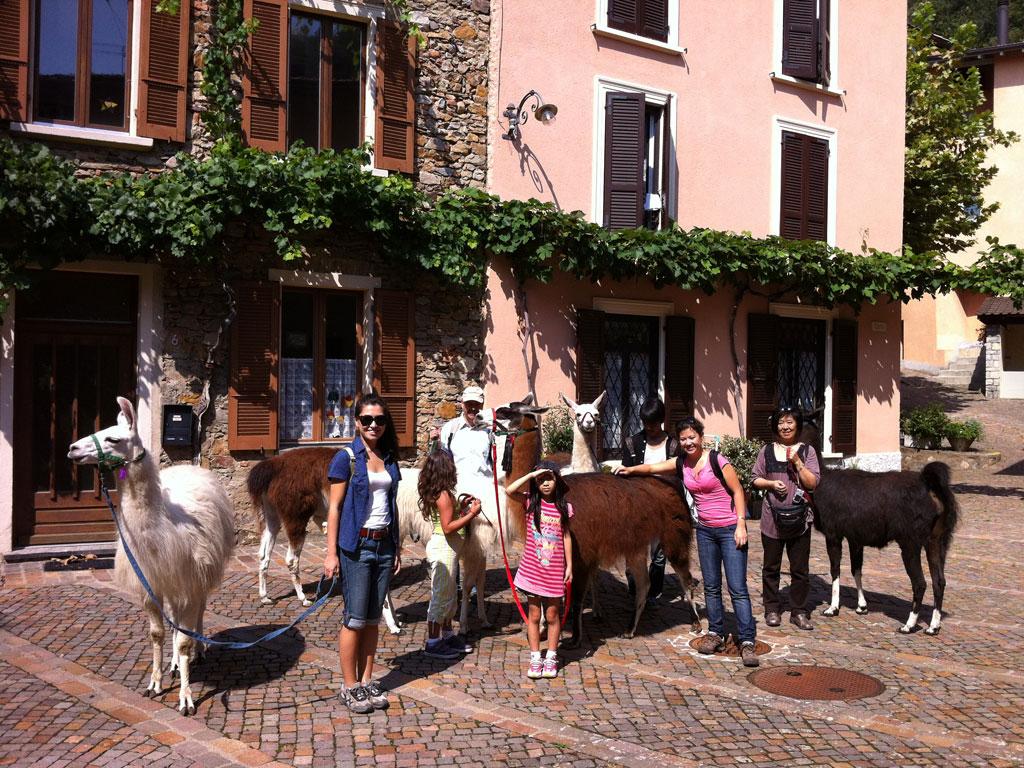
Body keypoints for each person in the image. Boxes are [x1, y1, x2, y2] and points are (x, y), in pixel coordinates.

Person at [615, 416, 759, 667]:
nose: (688, 442)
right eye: (683, 439)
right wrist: (630, 470)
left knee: (737, 587)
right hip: (705, 531)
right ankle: (715, 633)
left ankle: (747, 640)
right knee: (711, 586)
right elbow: (652, 468)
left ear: (701, 437)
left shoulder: (717, 460)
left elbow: (738, 491)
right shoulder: (681, 463)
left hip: (729, 529)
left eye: (692, 437)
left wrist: (740, 524)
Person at [324, 393, 402, 713]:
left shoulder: (389, 456)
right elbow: (334, 508)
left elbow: (392, 505)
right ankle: (349, 685)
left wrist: (396, 547)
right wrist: (331, 554)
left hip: (384, 545)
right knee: (354, 619)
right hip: (356, 547)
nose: (373, 425)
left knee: (372, 619)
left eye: (379, 420)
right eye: (367, 419)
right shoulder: (346, 458)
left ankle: (367, 679)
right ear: (356, 422)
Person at [751, 407, 820, 631]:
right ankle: (772, 609)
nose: (785, 427)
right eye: (781, 422)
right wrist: (770, 484)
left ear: (797, 425)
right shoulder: (767, 451)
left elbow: (812, 483)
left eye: (789, 422)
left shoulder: (808, 451)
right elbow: (754, 479)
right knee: (771, 567)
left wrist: (798, 462)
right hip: (772, 519)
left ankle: (799, 611)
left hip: (800, 520)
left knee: (800, 569)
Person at [504, 461, 574, 679]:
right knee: (534, 615)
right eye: (541, 480)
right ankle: (535, 657)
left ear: (557, 481)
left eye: (549, 478)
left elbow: (566, 536)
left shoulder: (564, 508)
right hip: (532, 570)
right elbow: (509, 490)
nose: (545, 483)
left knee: (552, 615)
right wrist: (531, 475)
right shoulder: (529, 503)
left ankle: (551, 656)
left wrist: (570, 566)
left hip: (554, 571)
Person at [417, 448, 482, 659]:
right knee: (441, 596)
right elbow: (447, 527)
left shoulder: (442, 493)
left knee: (450, 594)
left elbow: (449, 517)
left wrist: (461, 508)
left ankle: (447, 634)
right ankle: (433, 642)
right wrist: (471, 514)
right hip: (443, 548)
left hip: (449, 549)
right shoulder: (443, 495)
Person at [622, 398, 680, 603]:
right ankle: (635, 589)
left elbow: (679, 475)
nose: (649, 428)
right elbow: (625, 475)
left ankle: (653, 592)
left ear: (661, 421)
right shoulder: (632, 443)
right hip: (636, 506)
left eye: (653, 424)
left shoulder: (674, 445)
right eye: (646, 423)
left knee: (658, 554)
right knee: (633, 550)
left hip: (663, 507)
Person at [438, 385, 494, 492]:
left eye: (476, 404)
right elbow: (443, 461)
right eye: (469, 404)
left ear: (482, 405)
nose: (473, 408)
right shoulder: (450, 429)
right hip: (457, 489)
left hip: (485, 489)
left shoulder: (489, 430)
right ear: (462, 404)